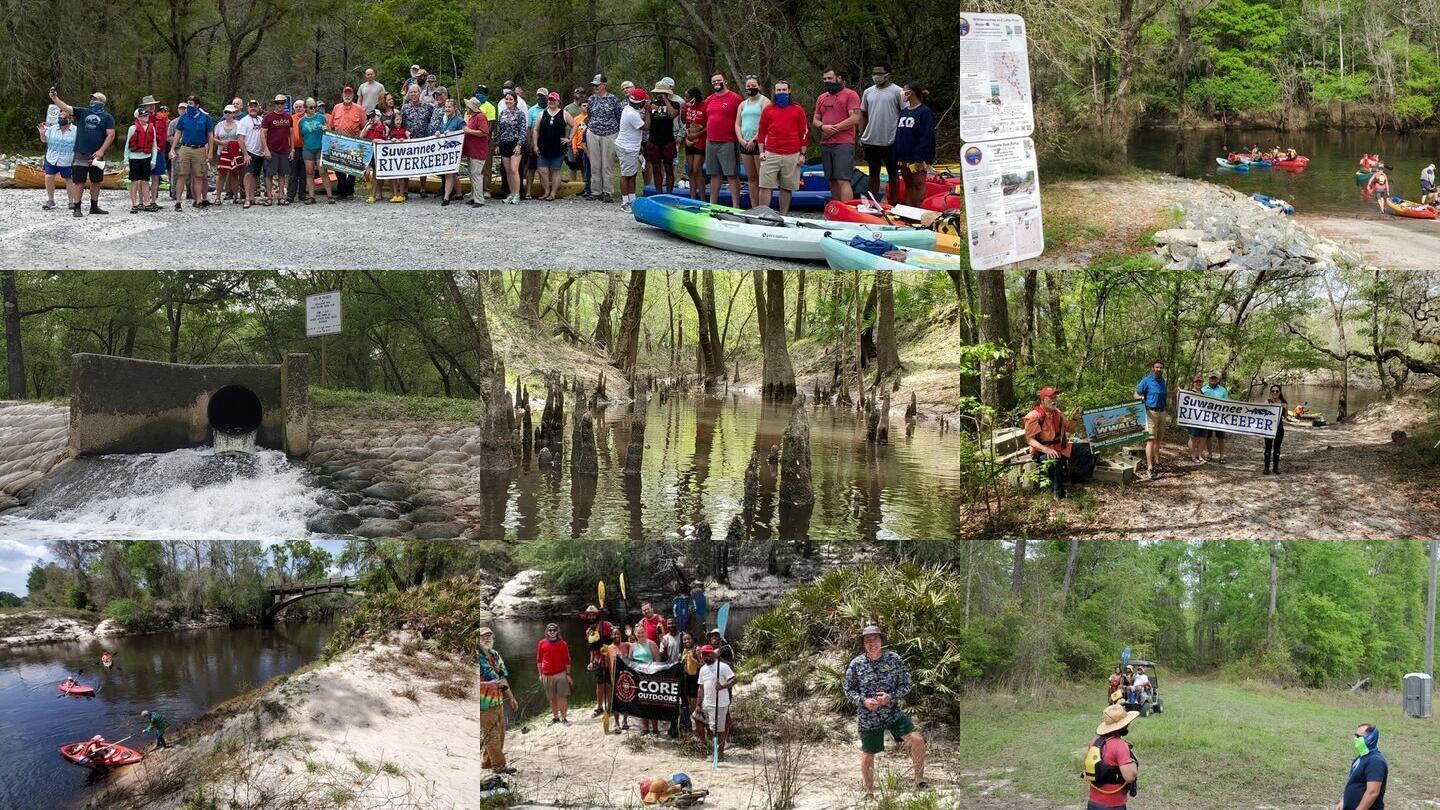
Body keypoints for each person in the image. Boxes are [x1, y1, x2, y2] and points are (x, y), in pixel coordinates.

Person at [842, 625, 925, 793]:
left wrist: (890, 697)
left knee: (917, 740)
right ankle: (869, 791)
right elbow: (848, 689)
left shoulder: (893, 659)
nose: (872, 643)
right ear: (864, 644)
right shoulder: (856, 664)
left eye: (875, 639)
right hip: (868, 717)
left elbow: (906, 684)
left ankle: (919, 780)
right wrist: (863, 700)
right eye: (868, 641)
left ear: (881, 641)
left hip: (892, 713)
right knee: (868, 753)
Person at [48, 89, 115, 217]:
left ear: (101, 102)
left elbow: (111, 135)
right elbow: (66, 108)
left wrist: (101, 151)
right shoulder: (83, 112)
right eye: (91, 99)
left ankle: (94, 207)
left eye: (94, 99)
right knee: (79, 181)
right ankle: (77, 208)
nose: (92, 101)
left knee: (96, 181)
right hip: (80, 152)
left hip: (97, 155)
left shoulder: (107, 117)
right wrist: (55, 99)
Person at [755, 79, 807, 215]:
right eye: (779, 90)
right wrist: (761, 152)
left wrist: (802, 154)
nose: (781, 92)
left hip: (792, 154)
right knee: (765, 185)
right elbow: (761, 132)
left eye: (784, 90)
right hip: (771, 153)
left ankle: (783, 215)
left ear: (789, 91)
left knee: (786, 187)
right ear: (775, 92)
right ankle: (763, 215)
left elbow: (804, 133)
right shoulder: (769, 110)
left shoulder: (798, 110)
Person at [813, 68, 861, 202]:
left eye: (830, 78)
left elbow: (855, 118)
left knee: (842, 179)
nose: (827, 81)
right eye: (825, 79)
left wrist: (835, 128)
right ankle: (837, 207)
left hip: (844, 142)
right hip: (826, 142)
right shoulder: (822, 97)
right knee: (832, 179)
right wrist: (823, 126)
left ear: (839, 78)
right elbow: (815, 119)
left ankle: (847, 210)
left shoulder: (851, 95)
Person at [1023, 386, 1078, 500]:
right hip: (1041, 452)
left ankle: (1077, 480)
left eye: (1055, 397)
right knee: (1054, 459)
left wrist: (1075, 419)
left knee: (1085, 450)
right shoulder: (1034, 416)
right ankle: (1059, 494)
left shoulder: (1058, 413)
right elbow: (1030, 439)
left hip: (1060, 448)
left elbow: (1071, 430)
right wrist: (1047, 449)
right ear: (1042, 400)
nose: (1054, 400)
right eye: (1050, 398)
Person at [477, 627, 519, 774]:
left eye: (489, 636)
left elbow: (502, 678)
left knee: (500, 734)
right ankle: (499, 766)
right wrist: (488, 684)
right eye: (483, 636)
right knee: (492, 735)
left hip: (498, 701)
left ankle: (487, 762)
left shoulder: (495, 655)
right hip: (483, 705)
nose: (487, 639)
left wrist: (511, 697)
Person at [860, 62, 904, 203]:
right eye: (874, 73)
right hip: (871, 139)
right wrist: (861, 134)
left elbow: (905, 114)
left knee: (893, 173)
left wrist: (902, 137)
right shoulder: (868, 92)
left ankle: (893, 202)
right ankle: (872, 202)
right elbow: (863, 114)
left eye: (879, 73)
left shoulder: (898, 91)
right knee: (873, 173)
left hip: (891, 140)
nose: (876, 76)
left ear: (887, 75)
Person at [1084, 704, 1138, 808]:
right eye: (1126, 723)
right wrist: (1133, 763)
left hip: (1093, 803)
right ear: (1121, 726)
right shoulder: (1120, 745)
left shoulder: (1094, 741)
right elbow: (1130, 777)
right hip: (1113, 805)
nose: (1128, 724)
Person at [702, 73, 743, 206]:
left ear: (725, 81)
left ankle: (736, 205)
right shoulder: (709, 99)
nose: (716, 83)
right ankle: (713, 204)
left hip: (728, 141)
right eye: (713, 81)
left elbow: (742, 118)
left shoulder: (735, 98)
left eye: (719, 80)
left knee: (731, 174)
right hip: (711, 141)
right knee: (714, 174)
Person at [894, 82, 936, 207]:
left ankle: (919, 210)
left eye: (904, 90)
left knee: (918, 184)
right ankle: (909, 211)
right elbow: (899, 134)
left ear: (910, 92)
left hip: (917, 157)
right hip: (903, 157)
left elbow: (926, 136)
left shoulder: (925, 112)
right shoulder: (904, 112)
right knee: (908, 184)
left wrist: (920, 158)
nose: (901, 93)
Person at [171, 94, 214, 211]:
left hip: (200, 148)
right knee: (182, 175)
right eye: (188, 103)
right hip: (185, 148)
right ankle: (178, 201)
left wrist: (210, 151)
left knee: (199, 175)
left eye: (191, 104)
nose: (189, 106)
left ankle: (198, 200)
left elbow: (210, 135)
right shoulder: (183, 117)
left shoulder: (205, 118)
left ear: (197, 105)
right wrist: (172, 148)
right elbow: (178, 133)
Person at [693, 644, 735, 758]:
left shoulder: (722, 667)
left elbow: (733, 679)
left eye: (707, 654)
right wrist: (698, 704)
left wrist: (722, 686)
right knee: (697, 718)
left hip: (720, 703)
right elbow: (700, 687)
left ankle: (720, 753)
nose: (705, 656)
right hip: (707, 702)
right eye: (703, 654)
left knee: (719, 729)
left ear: (712, 654)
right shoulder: (703, 669)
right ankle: (706, 745)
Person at [586, 74, 622, 202]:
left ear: (604, 85)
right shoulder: (591, 99)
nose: (595, 87)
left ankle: (607, 191)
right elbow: (589, 114)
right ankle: (596, 191)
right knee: (595, 163)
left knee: (607, 164)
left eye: (597, 85)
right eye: (594, 85)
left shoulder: (613, 99)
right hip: (593, 132)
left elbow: (618, 115)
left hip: (609, 133)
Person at [615, 87, 650, 212]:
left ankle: (632, 199)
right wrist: (648, 111)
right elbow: (646, 127)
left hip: (630, 146)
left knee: (632, 174)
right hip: (627, 147)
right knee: (626, 175)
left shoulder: (628, 109)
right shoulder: (631, 113)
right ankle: (625, 202)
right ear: (640, 103)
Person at [1336, 723, 1386, 810]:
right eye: (1355, 735)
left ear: (1370, 739)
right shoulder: (1360, 757)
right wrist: (1343, 801)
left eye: (1359, 736)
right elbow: (1353, 782)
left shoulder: (1375, 761)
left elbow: (1372, 792)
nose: (1355, 739)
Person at [735, 74, 769, 200]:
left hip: (758, 143)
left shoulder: (764, 101)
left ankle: (762, 206)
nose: (750, 88)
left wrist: (755, 139)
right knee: (751, 178)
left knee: (761, 178)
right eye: (748, 86)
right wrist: (741, 139)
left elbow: (765, 123)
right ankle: (754, 206)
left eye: (753, 85)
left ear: (758, 86)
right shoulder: (743, 104)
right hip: (745, 143)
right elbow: (737, 123)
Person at [1133, 360, 1168, 480]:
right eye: (1157, 367)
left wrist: (1175, 392)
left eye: (1161, 367)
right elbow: (1136, 394)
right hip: (1150, 412)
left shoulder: (1163, 381)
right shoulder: (1146, 380)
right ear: (1153, 368)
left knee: (1158, 439)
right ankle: (1150, 467)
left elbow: (1165, 395)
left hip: (1162, 412)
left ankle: (1157, 462)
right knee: (1151, 440)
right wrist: (1140, 398)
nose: (1159, 369)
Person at [644, 82, 681, 196]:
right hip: (654, 139)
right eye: (657, 93)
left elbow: (672, 115)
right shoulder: (652, 104)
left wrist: (665, 100)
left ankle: (669, 193)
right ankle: (658, 192)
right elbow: (647, 126)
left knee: (669, 167)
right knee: (656, 167)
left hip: (668, 139)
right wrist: (648, 111)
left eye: (661, 93)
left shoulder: (675, 104)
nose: (659, 95)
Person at [533, 91, 570, 201]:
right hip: (543, 146)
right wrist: (535, 145)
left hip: (558, 147)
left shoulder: (564, 113)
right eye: (550, 100)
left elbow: (574, 125)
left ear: (558, 101)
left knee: (555, 170)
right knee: (542, 170)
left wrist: (569, 138)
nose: (552, 102)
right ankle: (546, 191)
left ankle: (553, 193)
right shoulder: (542, 113)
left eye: (554, 100)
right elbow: (536, 130)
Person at [331, 85, 366, 199]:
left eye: (349, 94)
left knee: (353, 168)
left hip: (354, 142)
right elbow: (331, 125)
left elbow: (364, 126)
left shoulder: (359, 109)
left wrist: (361, 140)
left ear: (353, 95)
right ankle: (341, 192)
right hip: (338, 142)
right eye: (345, 94)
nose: (347, 96)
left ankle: (350, 191)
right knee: (338, 168)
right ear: (342, 95)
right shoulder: (336, 107)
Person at [123, 107, 160, 213]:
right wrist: (126, 161)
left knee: (145, 181)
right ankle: (134, 204)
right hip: (134, 158)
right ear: (138, 117)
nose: (146, 117)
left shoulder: (151, 128)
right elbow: (127, 146)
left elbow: (154, 146)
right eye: (143, 115)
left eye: (147, 115)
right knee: (134, 181)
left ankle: (147, 203)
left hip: (146, 158)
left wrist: (153, 160)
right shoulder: (132, 128)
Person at [37, 111, 76, 210]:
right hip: (52, 157)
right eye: (60, 118)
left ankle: (71, 201)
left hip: (67, 159)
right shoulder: (52, 128)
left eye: (64, 118)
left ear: (70, 119)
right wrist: (42, 133)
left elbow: (79, 144)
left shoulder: (76, 130)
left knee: (69, 180)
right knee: (48, 177)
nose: (61, 120)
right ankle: (51, 200)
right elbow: (44, 140)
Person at [536, 622, 573, 725]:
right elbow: (539, 660)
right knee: (552, 698)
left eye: (554, 630)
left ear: (557, 632)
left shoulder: (563, 644)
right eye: (550, 630)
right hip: (546, 675)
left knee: (562, 697)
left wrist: (568, 674)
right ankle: (555, 717)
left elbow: (567, 660)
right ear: (547, 632)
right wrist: (540, 674)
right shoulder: (541, 643)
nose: (552, 632)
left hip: (560, 674)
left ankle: (564, 718)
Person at [259, 95, 293, 206]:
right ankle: (269, 197)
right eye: (278, 103)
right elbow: (263, 134)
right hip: (272, 149)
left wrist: (292, 149)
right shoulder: (268, 117)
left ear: (285, 104)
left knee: (282, 174)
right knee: (269, 174)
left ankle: (281, 196)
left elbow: (291, 134)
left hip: (284, 150)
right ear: (275, 104)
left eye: (282, 103)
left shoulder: (288, 117)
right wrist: (266, 150)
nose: (280, 105)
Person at [495, 92, 528, 205]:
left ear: (515, 101)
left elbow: (523, 131)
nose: (508, 101)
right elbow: (499, 130)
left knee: (514, 169)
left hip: (515, 143)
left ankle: (517, 194)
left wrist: (519, 144)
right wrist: (498, 144)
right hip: (504, 143)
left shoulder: (520, 114)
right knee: (508, 170)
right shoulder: (502, 113)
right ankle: (511, 193)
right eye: (507, 99)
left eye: (511, 99)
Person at [581, 605, 614, 716]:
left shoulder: (607, 625)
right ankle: (600, 707)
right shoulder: (588, 631)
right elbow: (592, 649)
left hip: (609, 660)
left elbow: (614, 642)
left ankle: (610, 707)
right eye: (589, 615)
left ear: (597, 615)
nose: (591, 616)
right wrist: (592, 661)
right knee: (599, 684)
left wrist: (605, 656)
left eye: (593, 614)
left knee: (609, 684)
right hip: (599, 661)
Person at [298, 99, 332, 204]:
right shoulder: (302, 121)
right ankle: (312, 197)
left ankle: (330, 196)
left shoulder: (321, 118)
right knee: (309, 172)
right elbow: (301, 136)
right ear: (306, 108)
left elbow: (329, 131)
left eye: (314, 107)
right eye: (311, 107)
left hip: (320, 147)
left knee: (322, 171)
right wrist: (307, 143)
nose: (314, 109)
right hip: (308, 148)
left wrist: (326, 129)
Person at [212, 105, 245, 205]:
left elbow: (241, 138)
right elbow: (214, 138)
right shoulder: (219, 125)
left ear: (234, 113)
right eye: (226, 112)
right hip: (222, 152)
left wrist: (233, 144)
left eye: (230, 112)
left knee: (234, 174)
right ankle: (218, 197)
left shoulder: (239, 124)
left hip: (234, 152)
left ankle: (235, 196)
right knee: (221, 174)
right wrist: (221, 143)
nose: (228, 114)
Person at [461, 97, 491, 208]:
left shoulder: (480, 117)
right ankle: (474, 196)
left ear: (472, 107)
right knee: (472, 174)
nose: (466, 108)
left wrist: (469, 131)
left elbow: (484, 132)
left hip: (478, 151)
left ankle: (479, 199)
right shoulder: (473, 117)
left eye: (467, 106)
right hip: (472, 150)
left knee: (476, 174)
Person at [436, 97, 466, 205]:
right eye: (446, 107)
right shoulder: (445, 119)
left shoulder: (459, 120)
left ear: (455, 108)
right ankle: (459, 194)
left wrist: (454, 134)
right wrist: (439, 132)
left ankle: (446, 197)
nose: (447, 109)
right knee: (453, 173)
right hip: (446, 150)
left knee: (449, 173)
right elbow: (441, 129)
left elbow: (464, 131)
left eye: (449, 107)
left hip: (454, 150)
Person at [681, 87, 708, 199]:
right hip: (689, 139)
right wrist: (687, 137)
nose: (685, 99)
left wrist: (697, 135)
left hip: (700, 140)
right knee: (691, 170)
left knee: (697, 170)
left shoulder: (704, 106)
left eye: (687, 97)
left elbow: (708, 125)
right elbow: (686, 123)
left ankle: (702, 198)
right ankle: (692, 197)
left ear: (694, 97)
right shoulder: (687, 107)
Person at [1201, 373, 1229, 462]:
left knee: (1221, 437)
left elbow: (1227, 404)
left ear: (1218, 380)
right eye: (1211, 378)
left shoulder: (1223, 390)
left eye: (1215, 378)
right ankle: (1210, 454)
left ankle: (1222, 456)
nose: (1213, 380)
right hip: (1207, 417)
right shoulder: (1203, 389)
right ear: (1209, 379)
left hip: (1219, 418)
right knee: (1208, 436)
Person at [607, 625, 630, 732]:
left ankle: (625, 720)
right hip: (614, 678)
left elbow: (637, 645)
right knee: (616, 701)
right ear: (611, 636)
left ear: (621, 635)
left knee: (626, 699)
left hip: (626, 677)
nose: (616, 635)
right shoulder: (608, 648)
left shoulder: (626, 645)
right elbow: (607, 664)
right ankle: (616, 723)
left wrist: (630, 634)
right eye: (614, 634)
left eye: (618, 633)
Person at [385, 109, 409, 202]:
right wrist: (392, 140)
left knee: (402, 176)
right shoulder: (391, 131)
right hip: (393, 156)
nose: (399, 122)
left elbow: (410, 140)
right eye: (397, 120)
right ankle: (395, 194)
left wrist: (405, 139)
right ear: (393, 121)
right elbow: (386, 140)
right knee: (393, 175)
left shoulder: (405, 130)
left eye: (400, 120)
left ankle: (402, 194)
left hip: (402, 155)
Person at [1184, 374, 1209, 463]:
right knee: (1193, 437)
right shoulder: (1189, 393)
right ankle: (1193, 455)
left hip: (1203, 420)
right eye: (1197, 382)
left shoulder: (1204, 394)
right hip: (1193, 420)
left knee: (1203, 438)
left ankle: (1199, 455)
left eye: (1200, 382)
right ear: (1193, 383)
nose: (1198, 383)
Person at [1264, 383, 1287, 475]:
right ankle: (1266, 468)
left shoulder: (1283, 402)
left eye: (1277, 391)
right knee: (1268, 448)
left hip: (1279, 428)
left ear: (1280, 392)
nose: (1275, 392)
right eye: (1273, 391)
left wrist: (1284, 408)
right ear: (1270, 392)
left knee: (1277, 449)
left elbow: (1285, 416)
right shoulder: (1267, 402)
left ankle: (1275, 468)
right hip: (1268, 428)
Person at [570, 101, 591, 197]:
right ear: (580, 107)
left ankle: (586, 187)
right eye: (584, 105)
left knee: (586, 169)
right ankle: (581, 187)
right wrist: (574, 147)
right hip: (579, 146)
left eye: (587, 105)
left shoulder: (591, 118)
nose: (586, 107)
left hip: (589, 146)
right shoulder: (576, 119)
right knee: (578, 167)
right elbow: (574, 135)